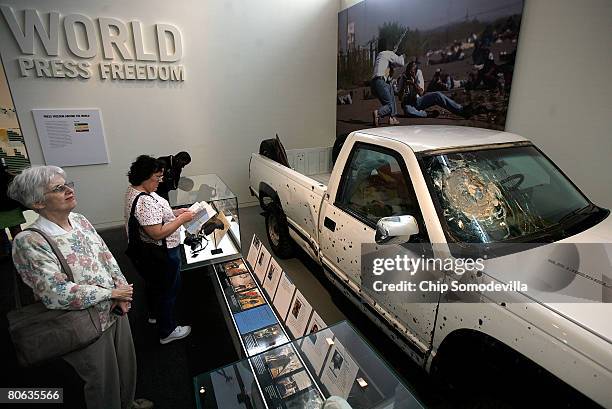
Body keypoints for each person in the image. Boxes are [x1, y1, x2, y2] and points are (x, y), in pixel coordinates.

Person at [8, 166, 151, 409]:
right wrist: (111, 293)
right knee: (102, 381)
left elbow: (107, 256)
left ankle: (128, 403)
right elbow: (56, 293)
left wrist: (122, 290)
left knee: (126, 365)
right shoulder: (29, 241)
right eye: (58, 188)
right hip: (83, 320)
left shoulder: (80, 220)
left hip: (116, 308)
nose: (68, 190)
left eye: (67, 184)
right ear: (37, 202)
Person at [124, 155, 194, 344]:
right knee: (168, 289)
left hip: (151, 255)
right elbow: (156, 233)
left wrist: (175, 213)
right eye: (157, 177)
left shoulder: (136, 191)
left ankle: (155, 314)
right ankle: (167, 330)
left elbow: (156, 215)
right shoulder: (144, 201)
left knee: (155, 285)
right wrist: (181, 220)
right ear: (145, 177)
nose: (161, 181)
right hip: (161, 254)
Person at [398, 61, 473, 119]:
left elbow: (421, 93)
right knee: (408, 111)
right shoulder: (403, 77)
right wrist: (404, 85)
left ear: (415, 72)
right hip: (408, 104)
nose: (410, 74)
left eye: (412, 72)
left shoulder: (418, 73)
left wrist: (413, 83)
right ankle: (426, 114)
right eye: (409, 72)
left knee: (437, 95)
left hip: (418, 100)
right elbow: (400, 98)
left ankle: (461, 110)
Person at [370, 39, 405, 127]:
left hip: (375, 83)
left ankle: (392, 118)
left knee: (390, 88)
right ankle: (378, 113)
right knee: (389, 106)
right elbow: (401, 63)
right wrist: (400, 54)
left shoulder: (381, 55)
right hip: (380, 82)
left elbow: (388, 76)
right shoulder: (388, 53)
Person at [0, 159, 24, 258]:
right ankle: (21, 252)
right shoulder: (10, 176)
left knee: (1, 234)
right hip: (12, 207)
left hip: (3, 209)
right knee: (16, 231)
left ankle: (5, 254)